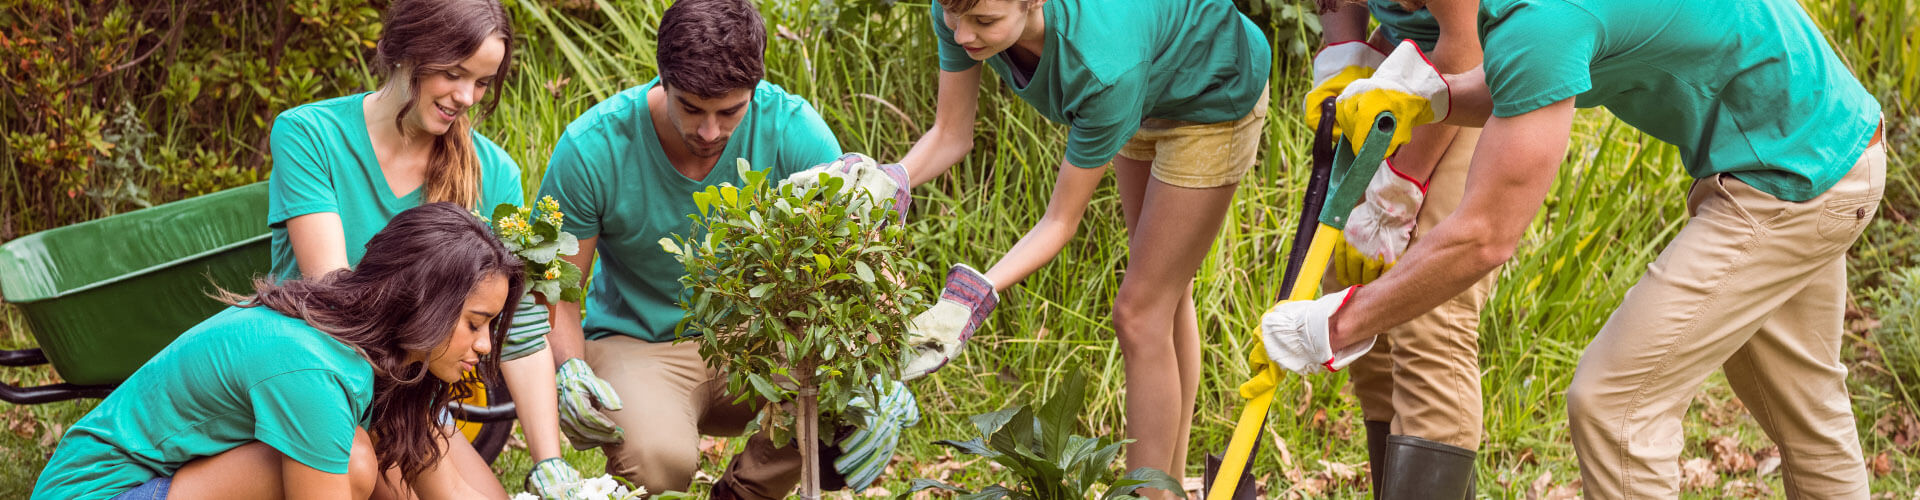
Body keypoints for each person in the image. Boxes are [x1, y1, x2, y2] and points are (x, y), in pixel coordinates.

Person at [1258, 0, 1884, 498]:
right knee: (1809, 418)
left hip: (1787, 179)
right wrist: (1432, 100)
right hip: (1825, 137)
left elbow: (1483, 237)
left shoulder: (1541, 21)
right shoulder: (1526, 20)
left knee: (1615, 409)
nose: (1394, 10)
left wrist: (1338, 324)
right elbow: (1516, 80)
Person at [894, 0, 1271, 494]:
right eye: (953, 17)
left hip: (1212, 83)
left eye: (985, 23)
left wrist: (970, 296)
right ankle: (1171, 486)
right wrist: (887, 180)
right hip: (1149, 74)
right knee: (1163, 294)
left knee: (1140, 313)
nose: (963, 35)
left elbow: (1059, 221)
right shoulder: (961, 7)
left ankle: (1150, 494)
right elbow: (950, 134)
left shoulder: (1102, 67)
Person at [534, 0, 889, 497]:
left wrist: (882, 383)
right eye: (691, 108)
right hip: (640, 343)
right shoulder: (593, 147)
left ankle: (744, 492)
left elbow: (859, 271)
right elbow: (555, 290)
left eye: (730, 111)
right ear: (662, 80)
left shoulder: (794, 131)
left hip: (759, 337)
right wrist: (569, 367)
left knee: (836, 400)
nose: (709, 132)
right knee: (659, 461)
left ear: (756, 89)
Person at [262, 0, 579, 496]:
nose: (467, 96)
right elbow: (337, 299)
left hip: (412, 404)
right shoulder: (310, 135)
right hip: (329, 385)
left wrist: (550, 463)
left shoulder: (493, 174)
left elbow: (518, 329)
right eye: (453, 73)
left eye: (481, 82)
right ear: (407, 50)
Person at [33, 202, 526, 500]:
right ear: (423, 304)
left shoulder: (377, 359)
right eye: (475, 324)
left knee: (370, 458)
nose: (484, 347)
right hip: (100, 493)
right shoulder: (314, 366)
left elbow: (447, 491)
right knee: (352, 461)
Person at [1298, 0, 1490, 496]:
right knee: (1362, 300)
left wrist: (1396, 190)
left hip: (1483, 71)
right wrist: (1345, 57)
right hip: (1402, 60)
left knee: (1428, 317)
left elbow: (1464, 49)